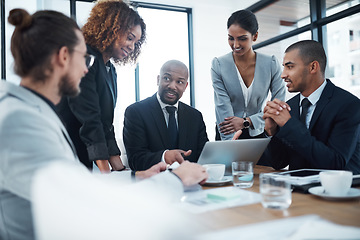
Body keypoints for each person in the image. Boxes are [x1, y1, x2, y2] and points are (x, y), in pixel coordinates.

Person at [0, 8, 208, 240]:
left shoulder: (34, 113)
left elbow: (77, 181)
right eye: (85, 58)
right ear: (63, 57)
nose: (87, 68)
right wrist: (176, 179)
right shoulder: (18, 122)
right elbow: (81, 202)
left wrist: (136, 177)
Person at [57, 0, 146, 172]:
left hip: (84, 155)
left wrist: (120, 169)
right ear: (111, 28)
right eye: (129, 38)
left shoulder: (110, 70)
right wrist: (107, 173)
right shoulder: (84, 58)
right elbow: (90, 119)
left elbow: (105, 124)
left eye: (136, 42)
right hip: (66, 152)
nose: (131, 46)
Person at [261, 40, 360, 174]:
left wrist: (289, 124)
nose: (283, 75)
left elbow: (335, 163)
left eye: (290, 67)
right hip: (297, 191)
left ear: (313, 67)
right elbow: (278, 162)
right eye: (284, 67)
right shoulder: (290, 106)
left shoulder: (349, 105)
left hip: (336, 191)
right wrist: (271, 132)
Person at [211, 9, 286, 141]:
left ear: (255, 36)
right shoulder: (219, 65)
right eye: (231, 38)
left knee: (261, 163)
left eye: (242, 38)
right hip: (227, 133)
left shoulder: (271, 64)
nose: (235, 45)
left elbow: (278, 105)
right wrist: (230, 144)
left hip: (259, 132)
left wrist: (248, 121)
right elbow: (222, 107)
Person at [123, 60, 209, 171]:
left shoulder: (195, 117)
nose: (172, 86)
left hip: (190, 183)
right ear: (158, 79)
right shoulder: (136, 112)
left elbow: (205, 157)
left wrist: (226, 149)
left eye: (179, 82)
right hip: (152, 184)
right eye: (167, 79)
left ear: (186, 86)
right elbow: (136, 160)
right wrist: (164, 156)